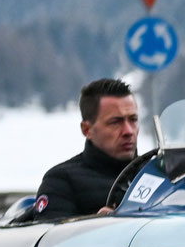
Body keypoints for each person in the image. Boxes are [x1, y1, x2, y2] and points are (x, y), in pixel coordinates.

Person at [36, 78, 140, 220]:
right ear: (87, 129)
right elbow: (52, 232)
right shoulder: (61, 181)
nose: (128, 131)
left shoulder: (158, 172)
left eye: (133, 120)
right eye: (115, 122)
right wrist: (96, 224)